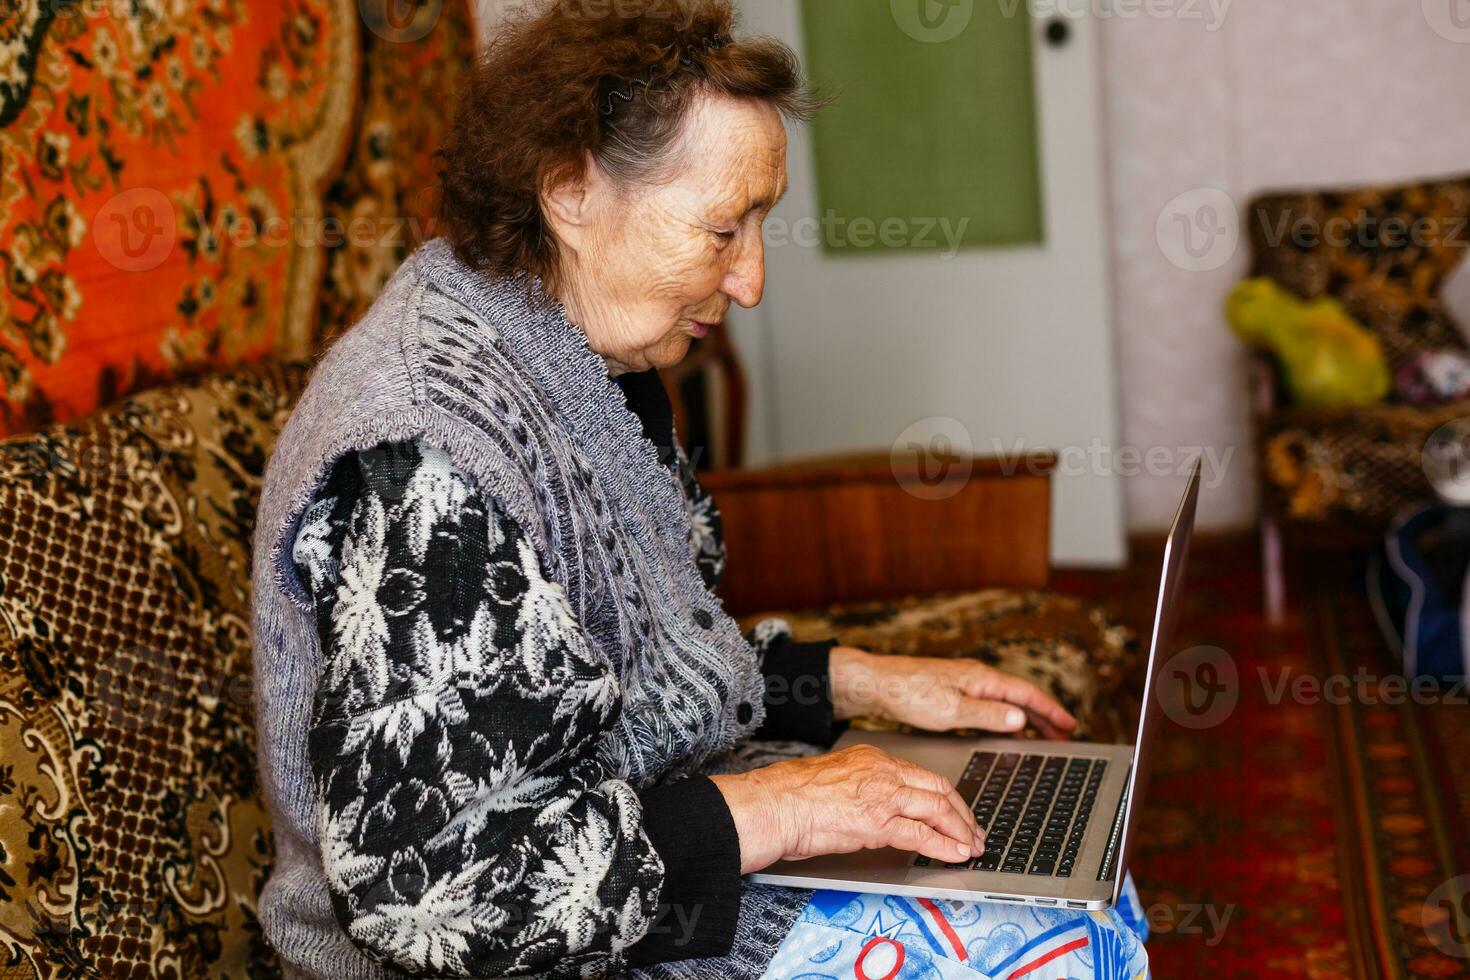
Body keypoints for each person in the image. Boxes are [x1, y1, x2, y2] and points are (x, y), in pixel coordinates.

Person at [249, 1, 1150, 976]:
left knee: (1079, 888)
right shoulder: (428, 452)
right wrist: (789, 804)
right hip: (521, 952)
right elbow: (436, 890)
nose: (753, 279)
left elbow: (648, 667)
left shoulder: (586, 356)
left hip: (651, 868)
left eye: (759, 223)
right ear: (570, 191)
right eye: (724, 228)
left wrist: (854, 678)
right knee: (1052, 952)